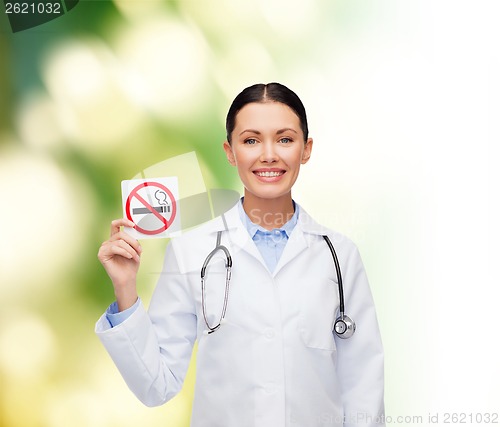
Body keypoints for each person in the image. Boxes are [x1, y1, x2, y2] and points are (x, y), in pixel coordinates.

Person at [96, 82, 385, 427]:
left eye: (285, 139)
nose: (268, 155)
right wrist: (126, 288)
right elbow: (156, 385)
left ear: (306, 149)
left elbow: (363, 385)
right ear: (230, 152)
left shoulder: (339, 256)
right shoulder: (191, 253)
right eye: (250, 140)